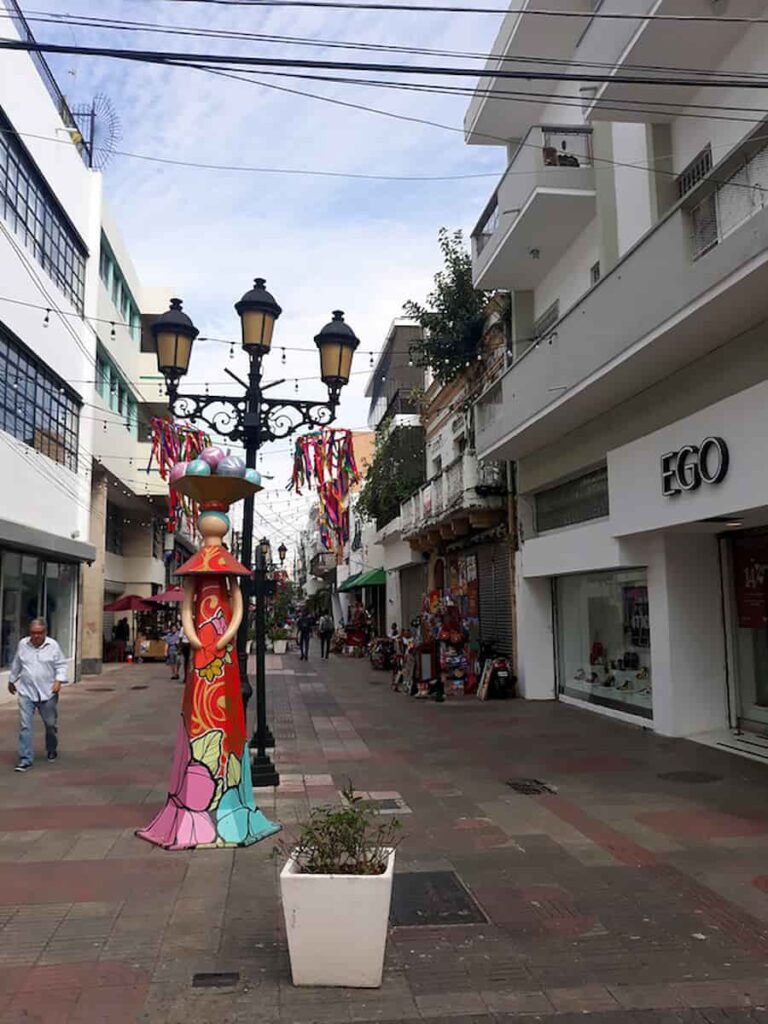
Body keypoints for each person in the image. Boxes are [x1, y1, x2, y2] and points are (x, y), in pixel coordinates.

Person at [8, 618, 67, 772]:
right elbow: (17, 663)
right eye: (33, 633)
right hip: (26, 692)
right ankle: (25, 759)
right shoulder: (23, 644)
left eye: (39, 633)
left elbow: (61, 665)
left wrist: (58, 681)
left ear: (45, 632)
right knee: (25, 725)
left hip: (48, 692)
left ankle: (51, 748)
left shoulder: (53, 646)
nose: (36, 636)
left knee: (50, 725)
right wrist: (12, 680)